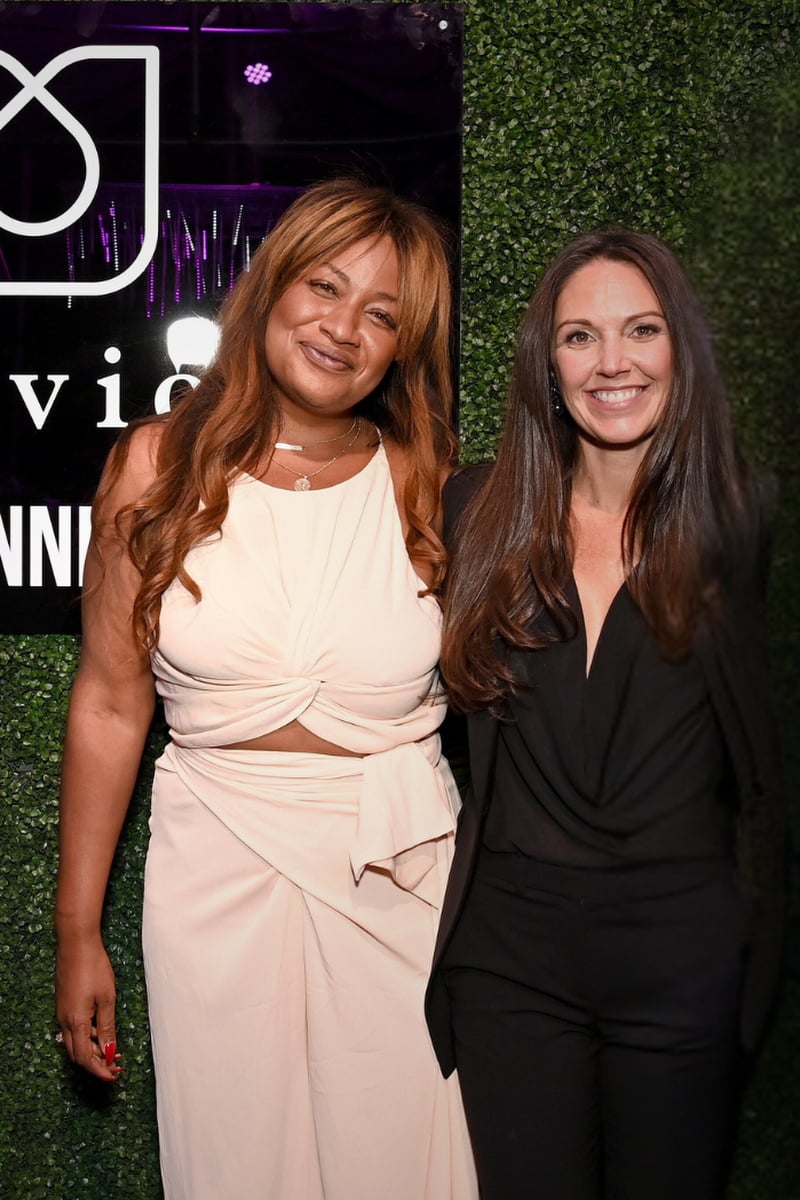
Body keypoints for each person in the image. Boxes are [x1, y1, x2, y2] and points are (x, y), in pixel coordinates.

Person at [55, 178, 478, 1200]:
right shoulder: (156, 467)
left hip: (403, 881)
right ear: (269, 287)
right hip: (215, 872)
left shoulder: (433, 477)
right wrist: (77, 930)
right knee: (238, 1168)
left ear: (402, 346)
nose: (342, 328)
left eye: (380, 314)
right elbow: (112, 705)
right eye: (324, 287)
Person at [426, 229, 786, 1199]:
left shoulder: (734, 522)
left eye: (639, 329)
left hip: (679, 955)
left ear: (680, 347)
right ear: (546, 362)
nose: (611, 361)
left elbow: (755, 753)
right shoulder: (477, 514)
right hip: (511, 962)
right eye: (578, 337)